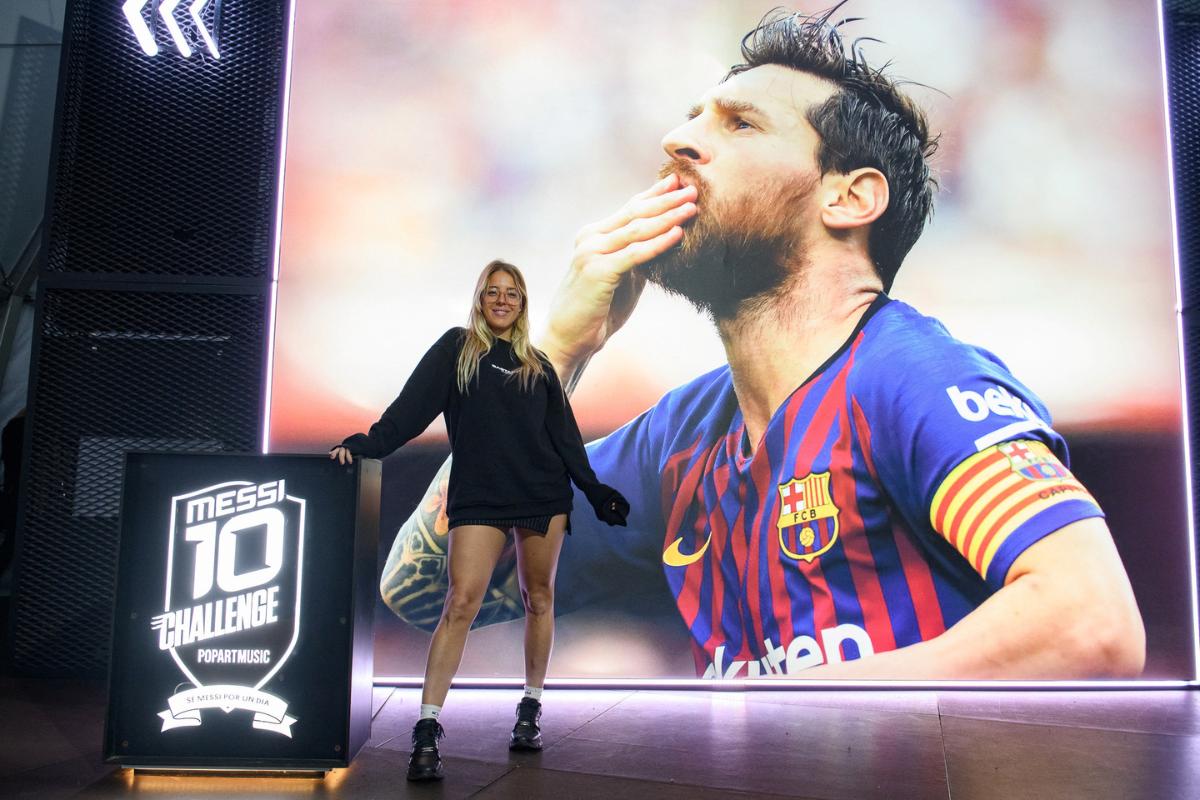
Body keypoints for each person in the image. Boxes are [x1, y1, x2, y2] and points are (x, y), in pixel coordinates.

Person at [382, 5, 1145, 680]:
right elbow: (428, 591)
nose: (677, 141)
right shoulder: (676, 443)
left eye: (737, 123)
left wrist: (764, 719)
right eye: (691, 117)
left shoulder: (912, 381)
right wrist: (551, 357)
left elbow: (1093, 623)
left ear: (849, 196)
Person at [331, 260, 629, 781]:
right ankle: (426, 728)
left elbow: (564, 438)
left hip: (542, 494)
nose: (502, 300)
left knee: (540, 598)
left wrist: (595, 490)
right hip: (479, 496)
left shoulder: (536, 364)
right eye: (493, 292)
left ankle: (530, 710)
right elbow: (407, 413)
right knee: (460, 601)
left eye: (511, 293)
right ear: (480, 299)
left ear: (522, 303)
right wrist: (365, 446)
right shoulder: (456, 350)